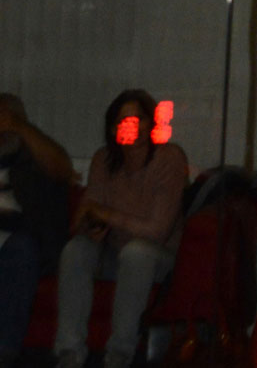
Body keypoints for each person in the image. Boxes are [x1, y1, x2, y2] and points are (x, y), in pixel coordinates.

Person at [54, 89, 188, 368]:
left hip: (157, 258)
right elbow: (84, 213)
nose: (130, 127)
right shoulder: (104, 159)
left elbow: (157, 231)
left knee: (137, 252)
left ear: (150, 124)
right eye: (122, 121)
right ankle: (69, 351)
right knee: (76, 249)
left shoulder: (169, 159)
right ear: (112, 127)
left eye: (137, 120)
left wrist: (108, 215)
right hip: (113, 250)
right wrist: (90, 226)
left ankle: (120, 353)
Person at [0, 94, 72, 368]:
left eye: (7, 117)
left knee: (21, 248)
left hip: (19, 239)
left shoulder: (29, 155)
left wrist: (21, 129)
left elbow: (63, 170)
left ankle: (4, 351)